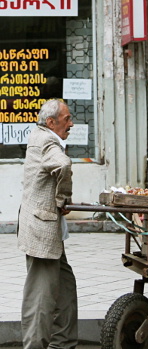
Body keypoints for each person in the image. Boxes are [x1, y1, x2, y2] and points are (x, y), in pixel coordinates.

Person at [17, 99, 77, 348]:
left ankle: (62, 344)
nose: (71, 124)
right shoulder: (47, 141)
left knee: (65, 287)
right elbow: (63, 165)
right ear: (51, 122)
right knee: (40, 298)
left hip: (44, 230)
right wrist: (64, 198)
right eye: (66, 119)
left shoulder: (39, 135)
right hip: (42, 232)